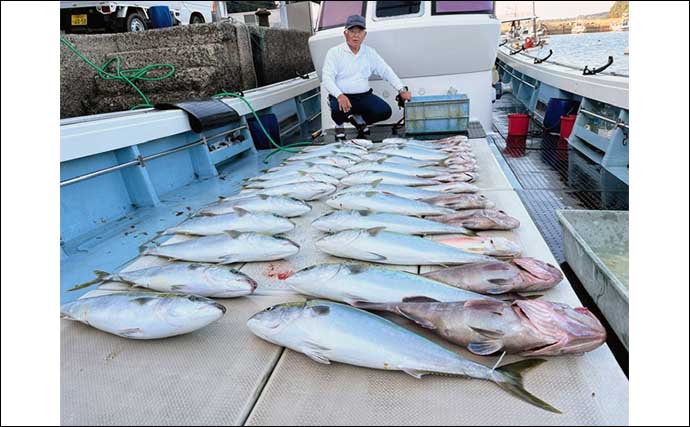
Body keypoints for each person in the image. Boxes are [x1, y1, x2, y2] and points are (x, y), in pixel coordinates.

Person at [321, 14, 412, 139]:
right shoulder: (334, 53)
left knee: (385, 111)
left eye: (359, 32)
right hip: (342, 96)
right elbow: (327, 78)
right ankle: (339, 124)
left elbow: (386, 71)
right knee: (337, 110)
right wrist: (339, 95)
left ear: (365, 35)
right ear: (345, 33)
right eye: (352, 31)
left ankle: (360, 120)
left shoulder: (370, 52)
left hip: (363, 96)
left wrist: (401, 89)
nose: (356, 35)